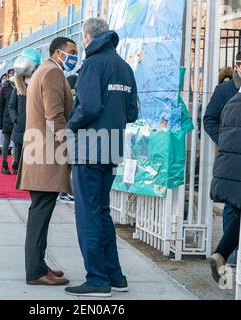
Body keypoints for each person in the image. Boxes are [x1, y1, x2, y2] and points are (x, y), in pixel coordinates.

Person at [65, 18, 139, 298]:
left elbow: (90, 105)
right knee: (102, 212)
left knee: (87, 214)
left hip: (89, 148)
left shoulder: (93, 64)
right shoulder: (124, 67)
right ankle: (114, 275)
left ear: (86, 38)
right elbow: (132, 112)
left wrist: (71, 124)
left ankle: (97, 279)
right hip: (111, 148)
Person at [15, 37, 77, 286]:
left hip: (40, 154)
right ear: (57, 52)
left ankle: (39, 266)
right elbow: (55, 115)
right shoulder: (52, 72)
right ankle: (35, 272)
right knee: (40, 215)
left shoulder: (45, 71)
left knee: (40, 213)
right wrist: (69, 145)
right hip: (46, 156)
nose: (74, 56)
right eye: (71, 51)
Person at [203, 48, 241, 265]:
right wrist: (224, 138)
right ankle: (230, 255)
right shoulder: (225, 91)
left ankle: (228, 253)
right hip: (231, 157)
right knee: (233, 205)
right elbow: (209, 118)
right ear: (237, 67)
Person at [208, 93, 241, 283]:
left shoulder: (233, 100)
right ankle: (238, 269)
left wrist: (223, 142)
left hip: (228, 171)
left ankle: (222, 256)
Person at [8, 48, 41, 175]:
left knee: (31, 155)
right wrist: (16, 119)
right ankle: (17, 168)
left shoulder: (39, 84)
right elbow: (11, 106)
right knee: (18, 152)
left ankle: (27, 173)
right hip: (20, 126)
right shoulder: (18, 88)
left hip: (34, 127)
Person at [58, 74, 79, 205]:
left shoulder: (64, 97)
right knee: (67, 166)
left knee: (65, 165)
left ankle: (63, 192)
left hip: (64, 134)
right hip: (69, 135)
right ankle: (64, 192)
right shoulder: (74, 100)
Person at [0, 69, 15, 156]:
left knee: (14, 140)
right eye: (10, 74)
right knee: (5, 137)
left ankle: (14, 158)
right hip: (6, 117)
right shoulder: (3, 88)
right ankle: (4, 162)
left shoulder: (20, 87)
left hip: (16, 118)